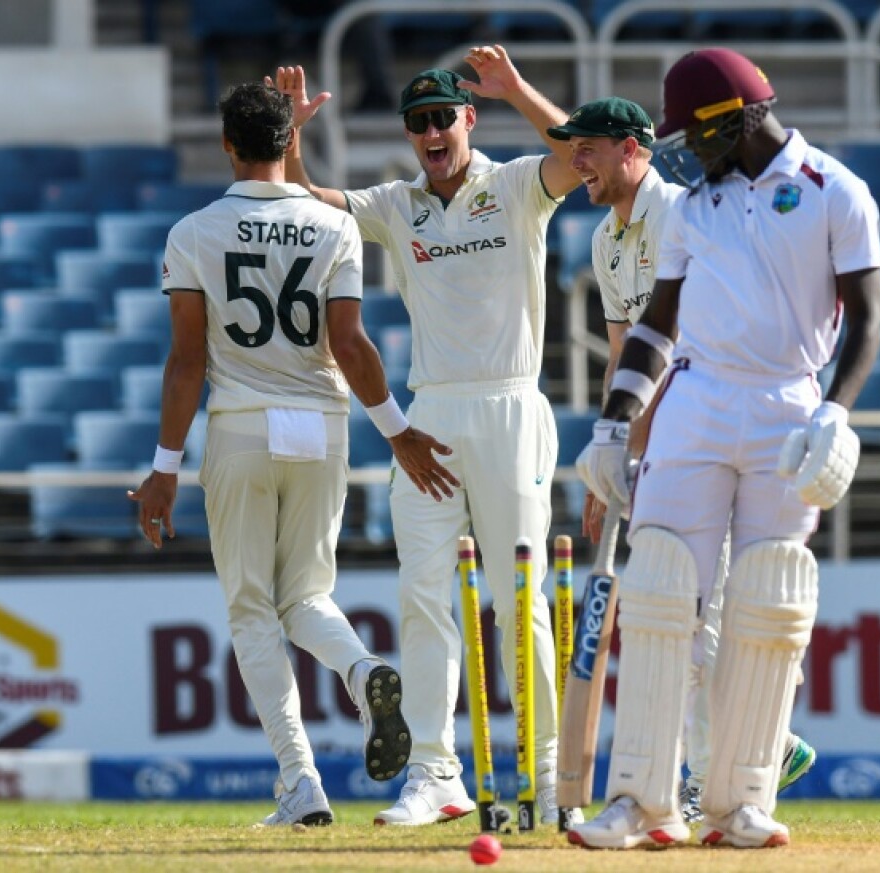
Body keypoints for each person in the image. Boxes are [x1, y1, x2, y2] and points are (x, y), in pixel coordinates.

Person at [569, 48, 880, 849]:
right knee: (661, 590)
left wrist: (837, 415)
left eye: (694, 133)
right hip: (697, 399)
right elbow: (655, 324)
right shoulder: (692, 207)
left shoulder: (834, 190)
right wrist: (613, 422)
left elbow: (868, 319)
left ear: (737, 117)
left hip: (788, 398)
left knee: (769, 603)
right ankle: (641, 800)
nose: (685, 152)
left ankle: (741, 801)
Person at [127, 81, 460, 826]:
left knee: (252, 608)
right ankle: (361, 666)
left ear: (225, 143)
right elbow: (350, 343)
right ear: (288, 144)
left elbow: (186, 362)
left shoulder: (193, 232)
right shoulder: (331, 227)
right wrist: (397, 429)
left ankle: (300, 780)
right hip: (323, 425)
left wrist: (163, 468)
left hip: (242, 425)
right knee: (306, 595)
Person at [270, 45, 584, 826]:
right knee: (421, 596)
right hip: (429, 416)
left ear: (468, 119)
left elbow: (580, 154)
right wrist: (292, 137)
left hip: (511, 404)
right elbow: (307, 202)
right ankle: (435, 772)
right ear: (410, 135)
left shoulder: (514, 184)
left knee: (523, 602)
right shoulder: (395, 203)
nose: (433, 133)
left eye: (444, 118)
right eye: (419, 124)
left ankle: (545, 777)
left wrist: (515, 90)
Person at [547, 96, 816, 826]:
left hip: (715, 433)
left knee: (702, 618)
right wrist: (613, 444)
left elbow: (689, 346)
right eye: (574, 149)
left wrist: (645, 445)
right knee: (678, 620)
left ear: (635, 148)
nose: (579, 162)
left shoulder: (684, 211)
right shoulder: (605, 238)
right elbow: (627, 353)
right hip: (660, 446)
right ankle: (755, 750)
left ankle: (712, 778)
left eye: (592, 148)